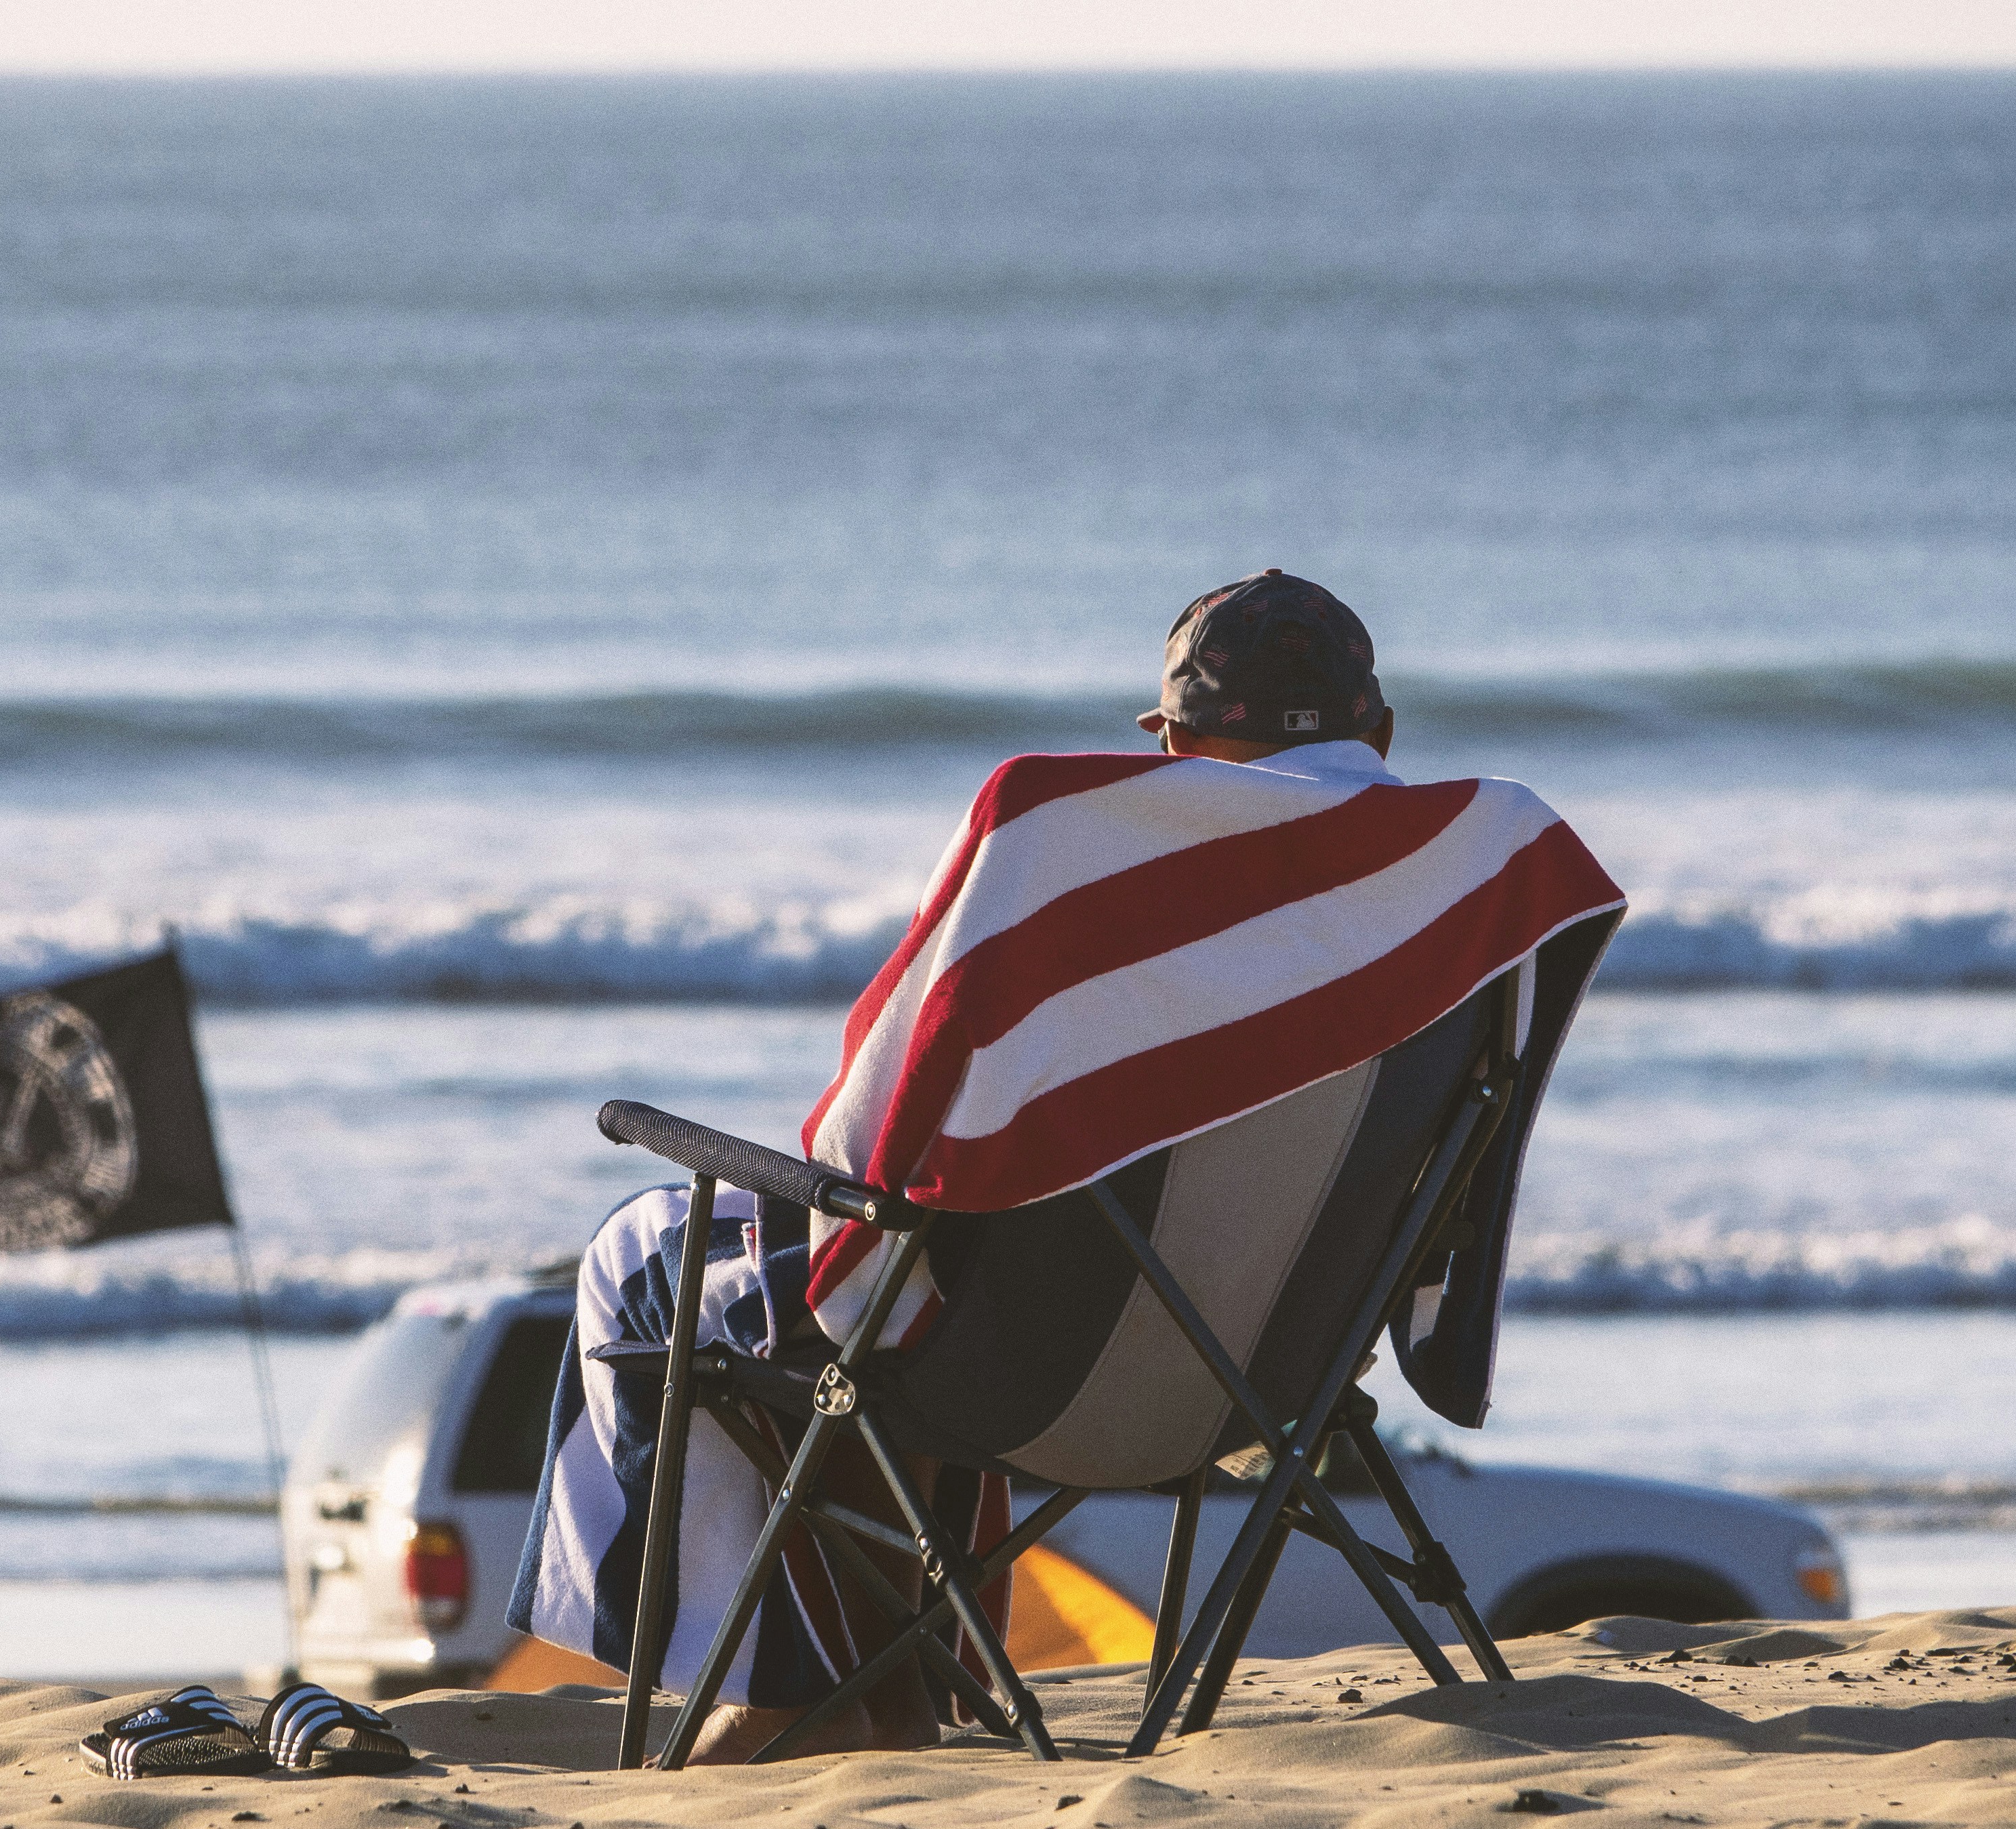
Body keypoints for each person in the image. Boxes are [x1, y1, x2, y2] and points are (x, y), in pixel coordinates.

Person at [508, 571, 1401, 1762]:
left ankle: (786, 1687)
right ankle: (895, 1688)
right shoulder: (1460, 906)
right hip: (1272, 1369)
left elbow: (874, 1148)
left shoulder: (1070, 861)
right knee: (907, 1291)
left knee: (666, 1255)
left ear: (1175, 744)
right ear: (1379, 738)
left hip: (1033, 1373)